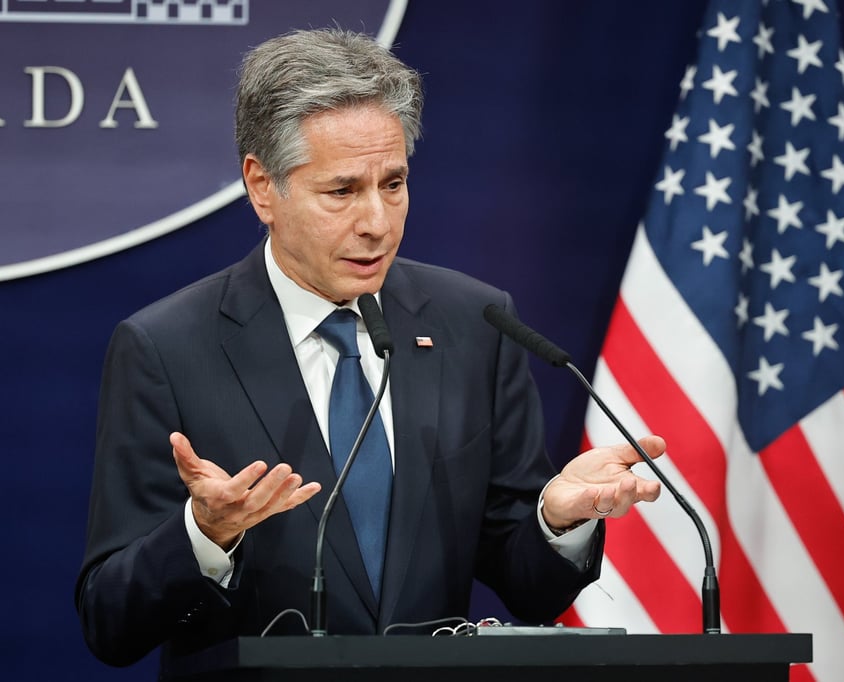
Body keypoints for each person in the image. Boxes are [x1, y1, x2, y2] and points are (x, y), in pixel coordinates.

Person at [75, 27, 665, 671]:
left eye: (393, 183)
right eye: (342, 191)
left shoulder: (474, 324)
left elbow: (529, 586)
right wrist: (204, 536)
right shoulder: (167, 348)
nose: (377, 223)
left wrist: (557, 521)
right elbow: (111, 622)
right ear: (262, 186)